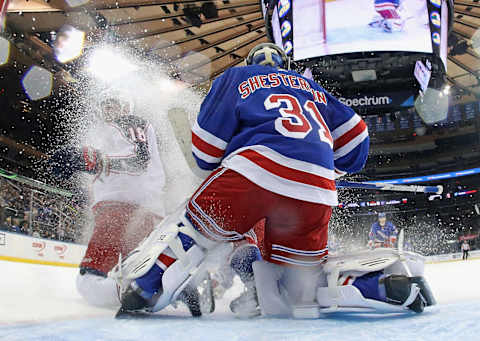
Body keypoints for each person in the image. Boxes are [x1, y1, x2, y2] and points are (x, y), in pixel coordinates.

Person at [113, 43, 433, 317]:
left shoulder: (237, 76)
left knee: (196, 225)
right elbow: (357, 138)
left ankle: (146, 286)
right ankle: (376, 286)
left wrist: (226, 157)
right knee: (299, 284)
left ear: (251, 63)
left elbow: (206, 151)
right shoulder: (313, 89)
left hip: (253, 172)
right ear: (288, 65)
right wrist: (328, 169)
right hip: (317, 190)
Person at [49, 89, 166, 308]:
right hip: (136, 210)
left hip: (123, 210)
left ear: (125, 106)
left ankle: (139, 294)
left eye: (112, 104)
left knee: (88, 282)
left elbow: (138, 160)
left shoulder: (130, 122)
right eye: (105, 105)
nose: (107, 110)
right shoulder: (113, 131)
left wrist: (92, 159)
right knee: (136, 271)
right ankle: (165, 289)